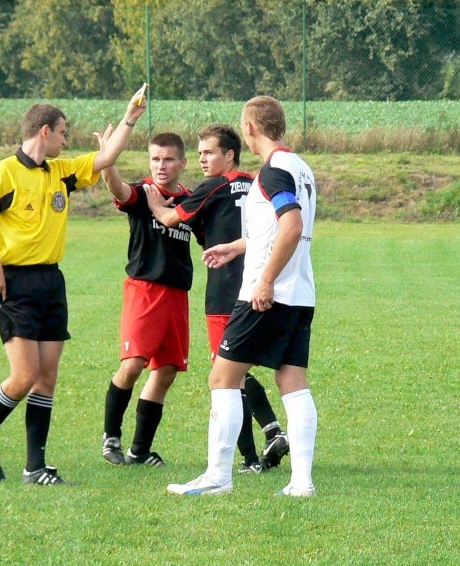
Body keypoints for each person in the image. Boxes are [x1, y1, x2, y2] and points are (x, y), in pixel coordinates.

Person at [0, 84, 148, 485]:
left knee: (47, 378)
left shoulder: (61, 172)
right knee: (24, 375)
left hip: (51, 281)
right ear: (44, 131)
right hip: (15, 283)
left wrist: (130, 117)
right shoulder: (3, 173)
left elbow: (107, 157)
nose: (67, 138)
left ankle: (35, 467)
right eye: (63, 131)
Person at [167, 95, 318, 497]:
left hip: (266, 294)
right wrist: (237, 246)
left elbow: (291, 225)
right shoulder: (301, 168)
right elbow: (276, 229)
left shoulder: (271, 171)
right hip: (301, 293)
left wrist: (265, 281)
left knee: (222, 377)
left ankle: (218, 476)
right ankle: (301, 483)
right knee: (293, 382)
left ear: (250, 128)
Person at [144, 124, 290, 475]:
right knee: (238, 369)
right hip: (262, 283)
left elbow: (167, 217)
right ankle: (270, 434)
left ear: (229, 155)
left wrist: (151, 196)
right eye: (199, 154)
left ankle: (256, 453)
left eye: (208, 153)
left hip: (226, 292)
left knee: (227, 374)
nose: (202, 159)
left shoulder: (214, 187)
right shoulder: (259, 182)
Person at [98, 131, 194, 467]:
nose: (161, 165)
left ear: (183, 162)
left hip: (177, 295)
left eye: (168, 159)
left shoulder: (189, 199)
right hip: (144, 290)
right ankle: (111, 437)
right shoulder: (143, 193)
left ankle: (139, 450)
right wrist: (107, 158)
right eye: (155, 158)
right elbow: (116, 189)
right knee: (133, 365)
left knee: (166, 371)